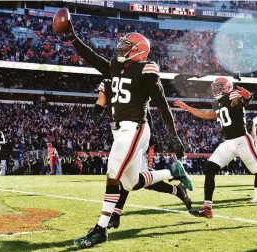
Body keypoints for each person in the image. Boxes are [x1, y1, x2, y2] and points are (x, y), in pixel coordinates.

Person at [59, 19, 192, 248]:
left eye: (126, 47)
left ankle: (100, 229)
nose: (120, 49)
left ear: (138, 51)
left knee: (113, 172)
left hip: (135, 128)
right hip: (120, 130)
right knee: (131, 183)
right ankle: (172, 172)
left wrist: (173, 135)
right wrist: (73, 38)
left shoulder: (146, 70)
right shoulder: (115, 66)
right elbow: (91, 58)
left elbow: (161, 104)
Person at [174, 77, 257, 219]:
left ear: (227, 87)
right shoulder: (217, 103)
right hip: (228, 142)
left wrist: (247, 98)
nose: (216, 88)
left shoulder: (232, 95)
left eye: (220, 86)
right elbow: (207, 114)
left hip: (242, 140)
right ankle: (207, 208)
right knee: (210, 168)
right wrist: (186, 107)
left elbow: (239, 102)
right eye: (215, 86)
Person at [95, 79, 192, 230]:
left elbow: (145, 111)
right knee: (136, 180)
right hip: (122, 133)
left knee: (123, 176)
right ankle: (178, 189)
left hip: (137, 134)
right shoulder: (109, 82)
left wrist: (149, 137)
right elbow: (100, 103)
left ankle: (114, 216)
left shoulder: (130, 81)